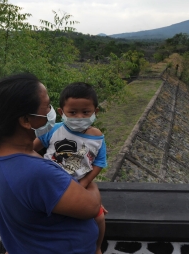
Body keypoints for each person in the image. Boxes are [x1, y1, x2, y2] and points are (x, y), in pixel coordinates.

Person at [0, 73, 101, 254]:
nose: (51, 112)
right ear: (26, 120)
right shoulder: (36, 173)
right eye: (47, 107)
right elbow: (91, 206)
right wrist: (88, 177)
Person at [33, 82, 107, 254]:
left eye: (85, 112)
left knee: (99, 217)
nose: (79, 117)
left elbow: (99, 163)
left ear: (95, 112)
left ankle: (97, 247)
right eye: (72, 112)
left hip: (78, 185)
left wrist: (85, 183)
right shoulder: (54, 130)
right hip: (51, 183)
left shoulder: (97, 138)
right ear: (61, 112)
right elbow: (30, 149)